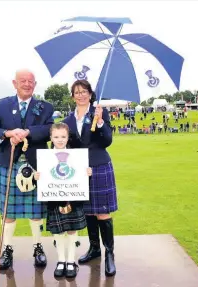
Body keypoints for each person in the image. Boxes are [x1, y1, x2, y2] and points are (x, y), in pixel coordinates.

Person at [0, 69, 54, 270]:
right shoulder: (2, 104)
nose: (27, 84)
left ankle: (38, 247)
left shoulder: (45, 106)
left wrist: (27, 132)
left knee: (36, 211)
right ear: (14, 83)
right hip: (9, 162)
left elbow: (49, 130)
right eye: (23, 81)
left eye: (30, 81)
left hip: (35, 163)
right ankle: (7, 249)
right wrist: (8, 133)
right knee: (8, 211)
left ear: (35, 84)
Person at [63, 79, 118, 277]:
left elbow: (107, 140)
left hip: (99, 166)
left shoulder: (99, 113)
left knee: (103, 212)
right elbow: (64, 145)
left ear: (90, 94)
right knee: (87, 212)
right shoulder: (68, 120)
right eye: (77, 92)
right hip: (79, 170)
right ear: (72, 96)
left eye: (84, 91)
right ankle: (94, 249)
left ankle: (109, 253)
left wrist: (101, 121)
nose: (80, 95)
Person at [34, 123, 92, 278]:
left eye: (63, 137)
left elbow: (82, 176)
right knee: (58, 232)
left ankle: (71, 261)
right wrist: (37, 177)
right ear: (51, 138)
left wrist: (87, 172)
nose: (60, 140)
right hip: (54, 199)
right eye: (56, 137)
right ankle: (61, 260)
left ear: (68, 137)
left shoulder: (77, 156)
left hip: (73, 198)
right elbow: (41, 181)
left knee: (72, 230)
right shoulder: (44, 157)